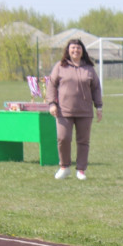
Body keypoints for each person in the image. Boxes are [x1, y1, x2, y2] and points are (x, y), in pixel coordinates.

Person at [47, 38, 103, 181]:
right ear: (68, 50)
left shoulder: (89, 69)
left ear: (82, 51)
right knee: (63, 138)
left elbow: (96, 88)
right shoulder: (60, 66)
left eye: (78, 48)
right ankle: (64, 167)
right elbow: (52, 85)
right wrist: (52, 103)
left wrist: (99, 106)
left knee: (83, 141)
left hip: (85, 111)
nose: (75, 51)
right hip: (64, 110)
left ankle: (81, 170)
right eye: (73, 48)